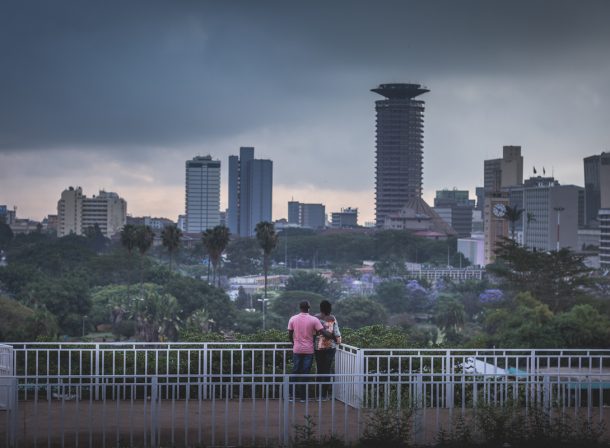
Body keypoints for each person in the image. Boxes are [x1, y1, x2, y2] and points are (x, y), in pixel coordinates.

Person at [287, 300, 334, 401]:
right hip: (309, 350)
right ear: (309, 308)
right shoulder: (313, 320)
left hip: (297, 349)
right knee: (305, 373)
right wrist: (332, 335)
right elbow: (323, 333)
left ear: (300, 308)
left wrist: (294, 343)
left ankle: (291, 395)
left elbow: (290, 335)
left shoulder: (293, 319)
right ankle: (303, 397)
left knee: (295, 371)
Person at [314, 300, 341, 399]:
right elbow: (336, 333)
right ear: (329, 308)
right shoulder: (332, 318)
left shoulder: (315, 318)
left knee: (320, 370)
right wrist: (338, 341)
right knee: (327, 370)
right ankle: (324, 395)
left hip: (318, 347)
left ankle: (318, 395)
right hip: (330, 347)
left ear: (320, 308)